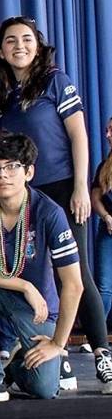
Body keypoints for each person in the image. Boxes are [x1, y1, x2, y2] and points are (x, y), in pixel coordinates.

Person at [0, 15, 109, 388]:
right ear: (1, 49)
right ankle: (55, 354)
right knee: (31, 274)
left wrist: (79, 187)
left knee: (75, 272)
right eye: (11, 40)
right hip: (21, 195)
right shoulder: (0, 91)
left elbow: (79, 136)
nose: (19, 46)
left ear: (37, 45)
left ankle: (102, 350)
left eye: (26, 39)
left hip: (60, 188)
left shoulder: (56, 80)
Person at [0, 133, 85, 401]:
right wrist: (24, 285)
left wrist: (58, 344)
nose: (3, 175)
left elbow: (74, 284)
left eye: (12, 166)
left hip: (37, 309)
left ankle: (15, 365)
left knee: (44, 389)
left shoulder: (49, 212)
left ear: (29, 172)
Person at [91, 116, 112, 332]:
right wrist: (107, 217)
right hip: (108, 230)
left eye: (111, 130)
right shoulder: (104, 166)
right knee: (104, 286)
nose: (107, 135)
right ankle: (99, 334)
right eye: (106, 130)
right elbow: (95, 197)